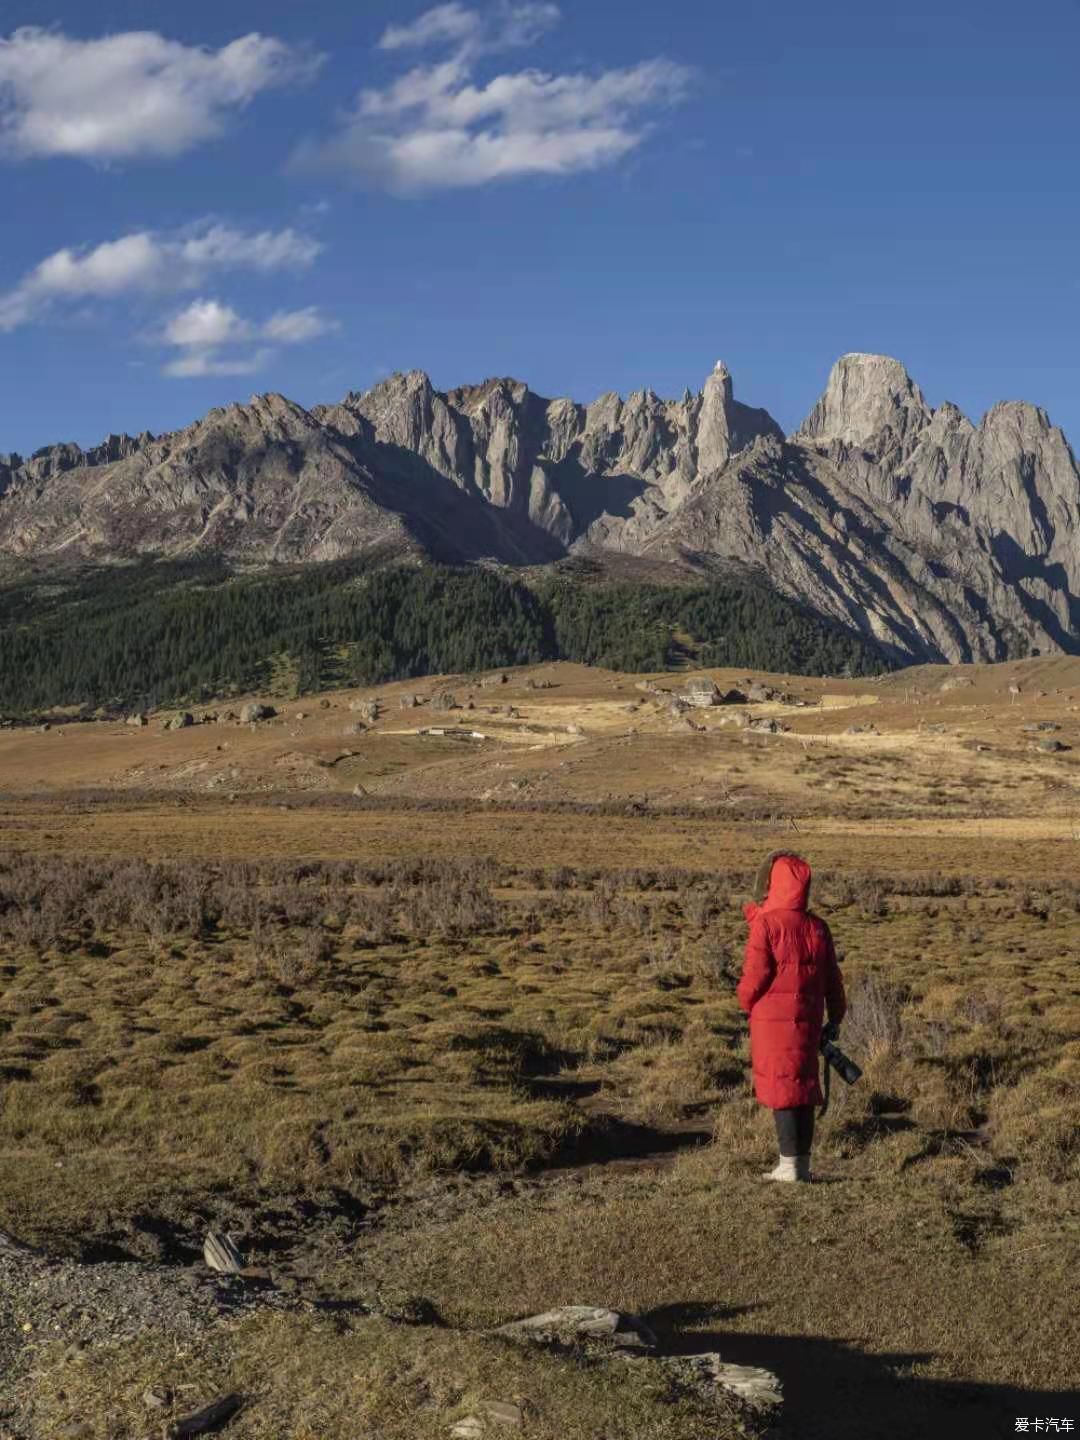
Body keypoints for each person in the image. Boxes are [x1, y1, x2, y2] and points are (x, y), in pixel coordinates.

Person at [736, 851, 846, 1182]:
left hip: (771, 1020)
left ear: (773, 883)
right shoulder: (818, 927)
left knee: (782, 1087)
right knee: (803, 1085)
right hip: (808, 1018)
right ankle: (800, 1165)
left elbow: (756, 975)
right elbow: (832, 978)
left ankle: (788, 1165)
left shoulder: (766, 925)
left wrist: (745, 1001)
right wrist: (836, 1016)